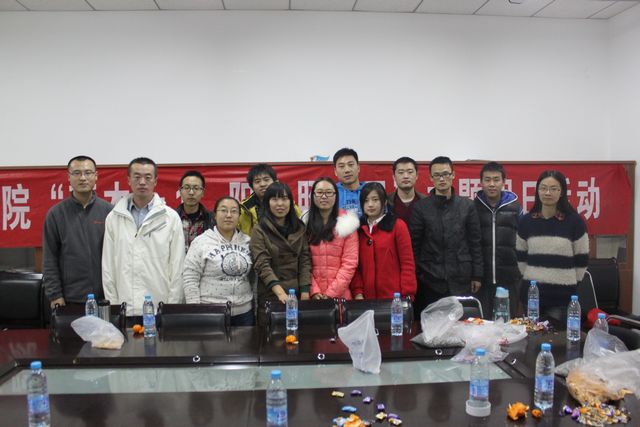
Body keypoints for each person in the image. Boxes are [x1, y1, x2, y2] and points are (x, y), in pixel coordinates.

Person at [102, 157, 185, 318]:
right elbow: (108, 268)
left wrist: (170, 309)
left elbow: (177, 268)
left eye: (147, 177)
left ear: (155, 181)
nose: (142, 182)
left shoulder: (170, 218)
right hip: (125, 308)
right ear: (128, 180)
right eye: (137, 177)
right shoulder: (114, 217)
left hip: (158, 308)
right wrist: (115, 308)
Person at [409, 156, 483, 317]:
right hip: (430, 279)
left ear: (453, 175)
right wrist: (419, 274)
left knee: (463, 325)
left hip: (461, 278)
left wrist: (477, 275)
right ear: (430, 178)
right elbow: (414, 245)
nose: (442, 179)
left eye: (445, 174)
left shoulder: (467, 205)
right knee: (433, 326)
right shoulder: (421, 207)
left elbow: (475, 242)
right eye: (437, 175)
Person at [516, 170, 589, 320]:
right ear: (537, 191)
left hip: (562, 297)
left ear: (562, 192)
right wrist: (533, 277)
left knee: (557, 335)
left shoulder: (574, 222)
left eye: (553, 188)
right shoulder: (526, 221)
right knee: (531, 335)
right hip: (532, 297)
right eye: (543, 188)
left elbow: (582, 260)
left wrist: (567, 282)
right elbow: (520, 257)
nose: (548, 193)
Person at [42, 155, 113, 309]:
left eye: (88, 173)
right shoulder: (56, 214)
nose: (82, 178)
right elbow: (49, 258)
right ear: (68, 177)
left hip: (105, 298)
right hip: (70, 299)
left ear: (96, 176)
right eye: (77, 173)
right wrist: (55, 295)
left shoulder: (109, 212)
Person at [183, 197, 254, 326]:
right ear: (215, 215)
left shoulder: (247, 242)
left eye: (234, 211)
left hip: (244, 313)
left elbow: (254, 278)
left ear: (239, 216)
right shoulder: (201, 242)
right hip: (210, 312)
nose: (229, 215)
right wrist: (195, 310)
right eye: (223, 210)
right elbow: (190, 278)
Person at [250, 182, 311, 320]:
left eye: (284, 199)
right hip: (271, 294)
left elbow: (305, 260)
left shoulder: (300, 227)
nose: (280, 204)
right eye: (274, 199)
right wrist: (280, 292)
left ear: (291, 202)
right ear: (267, 203)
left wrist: (305, 291)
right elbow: (262, 264)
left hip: (296, 293)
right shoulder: (259, 230)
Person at [350, 182, 417, 300]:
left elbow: (407, 264)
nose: (370, 205)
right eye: (366, 201)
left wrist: (407, 295)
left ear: (384, 202)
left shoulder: (398, 226)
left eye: (375, 200)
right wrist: (358, 292)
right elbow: (355, 267)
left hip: (394, 298)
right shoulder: (358, 229)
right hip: (365, 299)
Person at [474, 162, 522, 318]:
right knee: (483, 324)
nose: (492, 184)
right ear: (481, 182)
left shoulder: (515, 208)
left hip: (510, 278)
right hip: (482, 280)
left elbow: (524, 242)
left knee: (508, 325)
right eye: (487, 180)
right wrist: (475, 275)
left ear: (503, 182)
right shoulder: (472, 207)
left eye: (496, 179)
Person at [306, 177, 359, 300]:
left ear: (336, 195)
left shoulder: (347, 222)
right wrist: (314, 290)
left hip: (340, 296)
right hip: (312, 297)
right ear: (313, 196)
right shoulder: (305, 222)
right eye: (319, 192)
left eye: (329, 192)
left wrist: (331, 293)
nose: (324, 196)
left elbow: (350, 263)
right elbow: (303, 262)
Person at [238, 163, 301, 235]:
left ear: (276, 182)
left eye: (266, 180)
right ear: (251, 186)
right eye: (257, 181)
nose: (262, 184)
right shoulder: (243, 208)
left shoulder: (288, 205)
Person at [176, 170, 213, 252]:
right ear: (180, 191)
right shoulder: (171, 218)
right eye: (187, 188)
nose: (191, 192)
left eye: (196, 188)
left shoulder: (212, 220)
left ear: (203, 192)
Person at [387, 156, 426, 225]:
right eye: (401, 172)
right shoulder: (385, 202)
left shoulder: (426, 202)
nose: (406, 176)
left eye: (410, 172)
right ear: (394, 177)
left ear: (417, 176)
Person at [333, 148, 366, 217]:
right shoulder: (332, 193)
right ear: (335, 171)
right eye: (341, 166)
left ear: (358, 168)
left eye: (351, 165)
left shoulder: (370, 191)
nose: (347, 170)